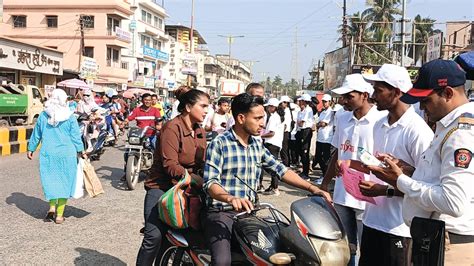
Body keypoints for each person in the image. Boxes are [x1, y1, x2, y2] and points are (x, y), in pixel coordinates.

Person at [202, 93, 332, 266]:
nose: (262, 122)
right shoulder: (219, 143)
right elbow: (210, 183)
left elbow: (281, 170)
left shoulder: (256, 144)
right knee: (222, 262)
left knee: (278, 252)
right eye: (257, 118)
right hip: (222, 213)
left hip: (249, 214)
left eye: (263, 117)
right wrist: (230, 198)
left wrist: (312, 188)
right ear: (241, 118)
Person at [366, 59, 474, 265]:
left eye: (426, 100)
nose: (421, 107)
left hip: (452, 244)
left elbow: (453, 202)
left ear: (448, 94)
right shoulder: (447, 126)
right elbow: (438, 180)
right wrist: (410, 172)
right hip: (437, 239)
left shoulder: (461, 133)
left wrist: (400, 181)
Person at [358, 64, 434, 266]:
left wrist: (384, 190)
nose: (373, 96)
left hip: (399, 228)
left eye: (379, 90)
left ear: (397, 92)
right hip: (372, 221)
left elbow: (427, 186)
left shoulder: (418, 131)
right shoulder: (378, 125)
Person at [136, 89, 209, 265]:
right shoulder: (172, 127)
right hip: (161, 187)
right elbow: (170, 165)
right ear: (189, 107)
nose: (207, 111)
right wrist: (195, 179)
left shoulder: (200, 131)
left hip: (187, 189)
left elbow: (203, 162)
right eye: (203, 106)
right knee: (153, 237)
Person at [320, 74, 386, 266]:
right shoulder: (342, 118)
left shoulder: (380, 120)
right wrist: (325, 183)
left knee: (368, 248)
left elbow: (381, 161)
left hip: (367, 195)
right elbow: (338, 153)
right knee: (346, 247)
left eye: (349, 96)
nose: (344, 101)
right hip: (342, 194)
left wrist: (355, 165)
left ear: (365, 95)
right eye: (343, 97)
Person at [27, 89, 87, 224]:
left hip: (48, 154)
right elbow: (75, 136)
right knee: (64, 183)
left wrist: (31, 148)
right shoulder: (70, 116)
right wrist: (81, 150)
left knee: (51, 181)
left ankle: (52, 208)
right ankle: (59, 215)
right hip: (67, 154)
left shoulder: (43, 115)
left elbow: (37, 133)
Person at [261, 98, 285, 195]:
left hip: (271, 143)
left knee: (272, 166)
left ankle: (275, 188)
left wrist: (260, 136)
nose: (267, 109)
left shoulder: (274, 117)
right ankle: (273, 186)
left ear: (273, 107)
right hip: (276, 143)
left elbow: (271, 133)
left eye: (269, 107)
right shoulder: (277, 116)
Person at [313, 94, 334, 179]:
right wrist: (319, 124)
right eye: (323, 101)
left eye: (326, 102)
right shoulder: (322, 112)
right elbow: (318, 124)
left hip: (327, 138)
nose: (324, 103)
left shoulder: (331, 112)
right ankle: (324, 173)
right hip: (320, 137)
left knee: (326, 158)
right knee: (318, 156)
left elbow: (323, 124)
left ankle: (325, 175)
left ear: (329, 102)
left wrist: (319, 124)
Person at [295, 94, 314, 180]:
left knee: (305, 152)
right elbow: (298, 123)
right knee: (300, 151)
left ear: (304, 101)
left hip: (306, 131)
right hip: (301, 131)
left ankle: (306, 173)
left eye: (301, 101)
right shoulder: (301, 111)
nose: (299, 102)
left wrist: (299, 122)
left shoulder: (308, 110)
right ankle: (303, 171)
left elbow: (301, 123)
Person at [279, 95, 293, 167]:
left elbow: (285, 124)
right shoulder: (283, 110)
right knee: (282, 150)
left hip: (285, 133)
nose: (284, 104)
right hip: (282, 132)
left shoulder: (287, 111)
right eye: (283, 102)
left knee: (284, 150)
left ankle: (286, 165)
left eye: (285, 102)